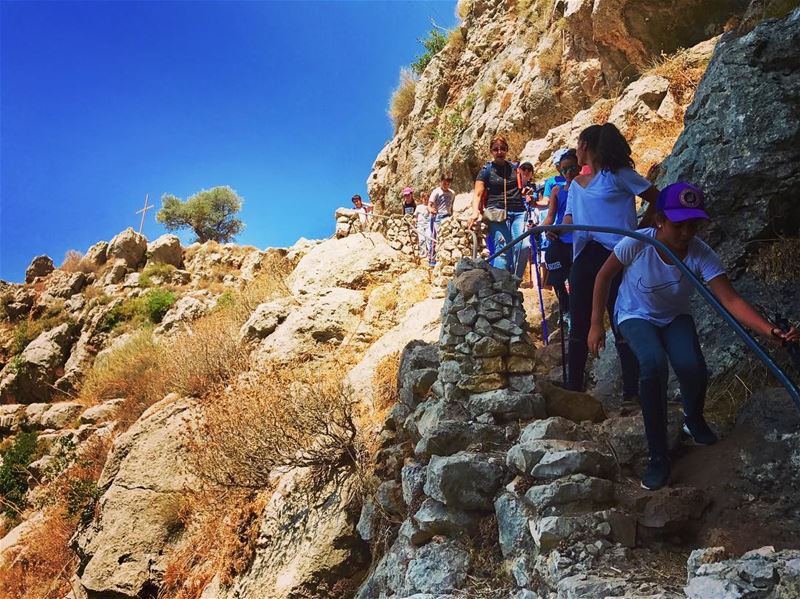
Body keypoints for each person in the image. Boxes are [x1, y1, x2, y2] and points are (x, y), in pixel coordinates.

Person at [588, 182, 799, 490]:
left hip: (674, 316)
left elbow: (731, 300)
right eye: (678, 225)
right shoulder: (638, 243)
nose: (686, 232)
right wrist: (596, 323)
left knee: (692, 367)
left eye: (693, 224)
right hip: (634, 315)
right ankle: (658, 456)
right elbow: (604, 275)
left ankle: (693, 419)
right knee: (653, 364)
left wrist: (771, 332)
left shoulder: (700, 253)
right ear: (659, 220)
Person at [563, 123, 659, 397]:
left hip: (617, 254)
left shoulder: (618, 175)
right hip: (584, 256)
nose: (577, 150)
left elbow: (657, 197)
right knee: (578, 321)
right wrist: (559, 231)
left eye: (579, 144)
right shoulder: (575, 186)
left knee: (621, 321)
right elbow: (570, 219)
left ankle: (632, 392)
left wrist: (642, 231)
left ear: (585, 146)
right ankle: (574, 391)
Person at [468, 136, 529, 279]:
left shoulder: (515, 169)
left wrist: (527, 193)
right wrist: (475, 212)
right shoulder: (486, 170)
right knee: (503, 250)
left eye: (502, 148)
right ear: (491, 151)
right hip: (496, 212)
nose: (499, 152)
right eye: (495, 149)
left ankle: (515, 282)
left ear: (507, 150)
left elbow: (522, 188)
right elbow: (477, 194)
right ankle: (499, 287)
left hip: (519, 212)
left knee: (523, 247)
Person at [542, 149, 579, 325]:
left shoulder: (584, 187)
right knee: (555, 272)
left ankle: (576, 311)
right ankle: (565, 309)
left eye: (572, 168)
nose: (568, 173)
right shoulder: (557, 190)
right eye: (564, 170)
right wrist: (544, 229)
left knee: (574, 277)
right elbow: (551, 215)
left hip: (578, 239)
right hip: (560, 238)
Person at [414, 193, 431, 258]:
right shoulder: (419, 207)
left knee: (428, 238)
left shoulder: (430, 207)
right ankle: (423, 253)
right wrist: (415, 219)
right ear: (422, 199)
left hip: (428, 225)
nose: (426, 200)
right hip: (420, 225)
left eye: (427, 199)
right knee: (421, 239)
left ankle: (430, 253)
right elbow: (415, 215)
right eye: (424, 199)